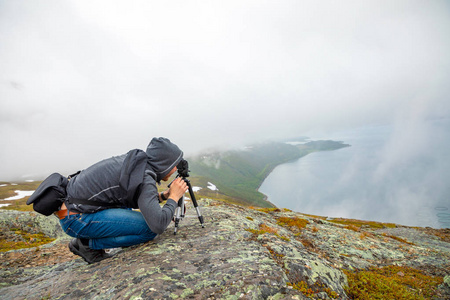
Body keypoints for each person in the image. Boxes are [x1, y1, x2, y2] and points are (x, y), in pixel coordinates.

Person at [55, 137, 188, 264]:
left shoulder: (135, 163)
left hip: (73, 211)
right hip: (76, 218)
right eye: (173, 165)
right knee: (149, 230)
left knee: (132, 212)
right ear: (163, 163)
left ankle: (111, 238)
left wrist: (165, 196)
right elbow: (158, 225)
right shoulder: (144, 178)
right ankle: (86, 245)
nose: (176, 169)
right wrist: (174, 198)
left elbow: (139, 199)